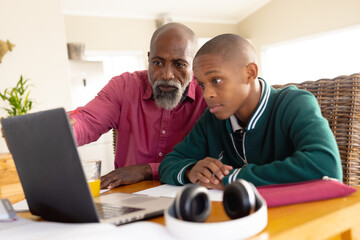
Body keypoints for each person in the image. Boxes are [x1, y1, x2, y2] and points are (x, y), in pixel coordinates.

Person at [159, 33, 343, 190]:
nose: (207, 94)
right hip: (239, 220)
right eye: (201, 84)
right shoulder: (212, 119)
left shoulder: (294, 103)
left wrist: (232, 178)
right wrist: (191, 170)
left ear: (250, 73)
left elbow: (325, 166)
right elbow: (169, 163)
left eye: (216, 80)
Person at [69, 22, 207, 189]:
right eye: (158, 62)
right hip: (128, 198)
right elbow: (88, 120)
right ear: (148, 58)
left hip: (189, 196)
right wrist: (67, 129)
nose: (166, 74)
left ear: (194, 64)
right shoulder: (124, 86)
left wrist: (147, 170)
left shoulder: (208, 95)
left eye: (179, 64)